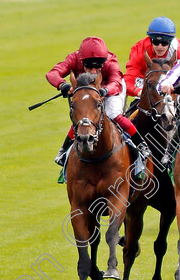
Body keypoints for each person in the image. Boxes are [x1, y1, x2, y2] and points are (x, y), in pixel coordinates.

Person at [46, 37, 150, 178]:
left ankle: (140, 144)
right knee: (84, 116)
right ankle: (63, 151)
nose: (93, 71)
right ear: (81, 61)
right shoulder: (74, 58)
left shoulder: (110, 61)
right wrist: (63, 85)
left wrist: (104, 90)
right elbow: (52, 73)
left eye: (98, 67)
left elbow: (116, 83)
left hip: (111, 90)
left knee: (112, 114)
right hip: (87, 91)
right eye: (89, 66)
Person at [124, 16, 180, 98]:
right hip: (146, 82)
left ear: (170, 42)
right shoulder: (139, 49)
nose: (159, 47)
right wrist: (138, 92)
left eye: (164, 43)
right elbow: (128, 80)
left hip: (172, 83)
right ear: (150, 40)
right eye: (156, 42)